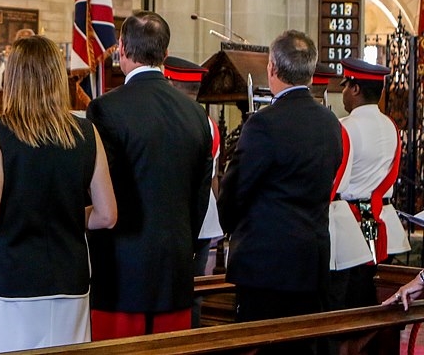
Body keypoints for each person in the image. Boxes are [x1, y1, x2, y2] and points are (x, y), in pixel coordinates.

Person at [0, 35, 117, 354]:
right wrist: (66, 212)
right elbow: (107, 215)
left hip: (13, 279)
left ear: (14, 78)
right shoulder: (86, 131)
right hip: (70, 278)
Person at [86, 11, 213, 338]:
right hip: (174, 267)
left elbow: (95, 188)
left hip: (120, 270)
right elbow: (200, 196)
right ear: (165, 53)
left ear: (121, 49)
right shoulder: (196, 115)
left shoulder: (105, 108)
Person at [218, 30, 342, 353]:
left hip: (266, 267)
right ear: (310, 72)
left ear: (271, 67)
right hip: (312, 262)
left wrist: (229, 226)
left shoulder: (264, 124)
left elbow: (234, 192)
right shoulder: (330, 123)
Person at [329, 58, 409, 312]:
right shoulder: (391, 126)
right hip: (383, 222)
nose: (343, 92)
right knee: (376, 299)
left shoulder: (345, 127)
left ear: (355, 89)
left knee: (347, 303)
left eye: (345, 86)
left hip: (350, 226)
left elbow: (335, 180)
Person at [162, 55, 223, 328]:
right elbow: (213, 179)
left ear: (170, 82)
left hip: (176, 217)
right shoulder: (209, 123)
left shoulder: (171, 120)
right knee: (195, 292)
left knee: (169, 292)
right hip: (205, 218)